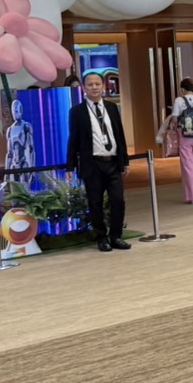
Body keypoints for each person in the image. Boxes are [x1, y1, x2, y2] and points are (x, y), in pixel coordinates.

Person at [66, 72, 131, 252]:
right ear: (84, 88)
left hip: (112, 162)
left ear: (103, 86)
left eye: (97, 84)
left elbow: (119, 135)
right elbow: (73, 140)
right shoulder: (77, 112)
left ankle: (116, 236)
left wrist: (124, 161)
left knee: (118, 200)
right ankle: (102, 238)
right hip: (92, 164)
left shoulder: (112, 107)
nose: (94, 87)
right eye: (90, 84)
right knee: (95, 203)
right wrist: (70, 165)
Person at [163, 79, 193, 205]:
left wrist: (172, 128)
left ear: (182, 89)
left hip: (185, 136)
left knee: (187, 166)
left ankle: (192, 196)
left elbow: (174, 119)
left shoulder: (179, 101)